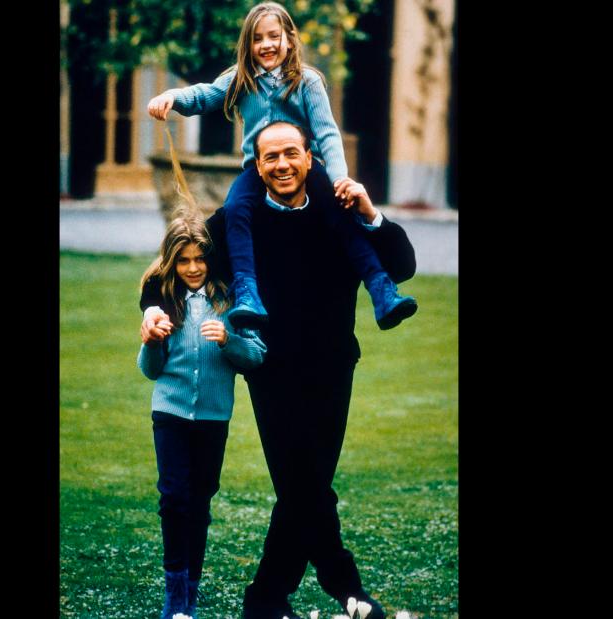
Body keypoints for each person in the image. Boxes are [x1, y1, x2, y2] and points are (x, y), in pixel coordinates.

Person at [141, 121, 416, 619]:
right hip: (270, 370)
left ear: (309, 158)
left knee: (306, 485)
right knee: (301, 482)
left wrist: (371, 212)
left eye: (291, 154)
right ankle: (345, 588)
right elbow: (177, 262)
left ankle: (266, 597)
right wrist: (150, 308)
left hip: (334, 367)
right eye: (270, 157)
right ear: (258, 165)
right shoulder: (239, 220)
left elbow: (401, 265)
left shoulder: (338, 211)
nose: (282, 164)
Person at [146, 1, 417, 332]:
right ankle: (247, 291)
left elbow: (327, 133)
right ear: (248, 45)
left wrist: (339, 180)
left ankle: (381, 288)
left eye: (274, 36)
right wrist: (173, 97)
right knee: (235, 210)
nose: (266, 45)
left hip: (308, 169)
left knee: (341, 214)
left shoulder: (307, 82)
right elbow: (205, 95)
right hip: (257, 172)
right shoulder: (241, 79)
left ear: (289, 38)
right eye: (257, 39)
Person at [137, 213, 268, 619]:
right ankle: (175, 596)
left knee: (199, 501)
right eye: (183, 260)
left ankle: (190, 586)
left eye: (200, 259)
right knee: (173, 498)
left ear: (211, 258)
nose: (193, 268)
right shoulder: (163, 303)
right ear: (171, 262)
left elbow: (256, 357)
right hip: (170, 414)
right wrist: (152, 341)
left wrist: (229, 340)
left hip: (214, 418)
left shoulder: (230, 302)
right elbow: (150, 370)